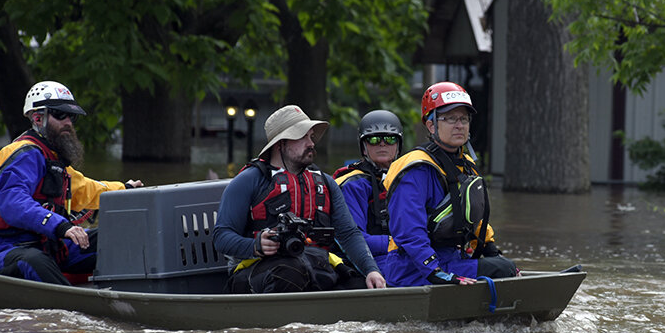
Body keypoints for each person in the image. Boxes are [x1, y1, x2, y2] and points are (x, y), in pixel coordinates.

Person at [0, 80, 143, 284]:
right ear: (38, 118)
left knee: (116, 237)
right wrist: (61, 226)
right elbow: (14, 204)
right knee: (34, 260)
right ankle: (72, 310)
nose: (68, 122)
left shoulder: (55, 160)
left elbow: (87, 189)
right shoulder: (21, 154)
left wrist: (125, 189)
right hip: (12, 249)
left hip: (54, 248)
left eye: (71, 116)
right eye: (59, 115)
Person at [213, 104, 387, 293]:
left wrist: (371, 270)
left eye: (311, 136)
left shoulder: (326, 183)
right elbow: (221, 236)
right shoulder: (249, 181)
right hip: (257, 271)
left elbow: (348, 234)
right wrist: (255, 245)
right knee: (291, 272)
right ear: (281, 144)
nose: (311, 143)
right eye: (302, 136)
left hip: (312, 264)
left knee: (360, 284)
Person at [380, 81, 518, 287]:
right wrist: (435, 272)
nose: (459, 125)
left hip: (450, 259)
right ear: (431, 125)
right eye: (450, 118)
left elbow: (475, 218)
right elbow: (409, 232)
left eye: (464, 118)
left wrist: (491, 251)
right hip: (411, 269)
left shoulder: (466, 165)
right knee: (502, 269)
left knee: (503, 265)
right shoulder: (415, 169)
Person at [334, 109, 403, 260]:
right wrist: (400, 243)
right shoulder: (354, 184)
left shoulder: (409, 179)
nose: (382, 144)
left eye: (390, 139)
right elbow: (353, 238)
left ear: (398, 145)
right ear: (364, 148)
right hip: (373, 259)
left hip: (406, 254)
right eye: (373, 139)